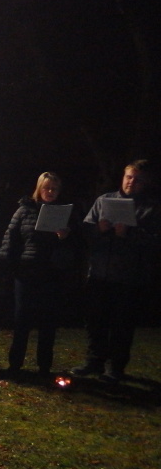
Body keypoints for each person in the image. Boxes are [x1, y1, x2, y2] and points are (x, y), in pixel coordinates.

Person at [71, 160, 161, 383]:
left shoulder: (151, 208)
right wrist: (98, 229)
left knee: (122, 324)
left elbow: (154, 242)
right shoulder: (104, 200)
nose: (131, 182)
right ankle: (94, 361)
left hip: (129, 277)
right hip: (99, 273)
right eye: (129, 177)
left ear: (145, 182)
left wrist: (128, 233)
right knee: (95, 321)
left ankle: (116, 367)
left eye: (137, 179)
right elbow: (85, 231)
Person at [0, 172, 79, 377]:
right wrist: (9, 267)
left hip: (52, 274)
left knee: (48, 322)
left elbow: (77, 245)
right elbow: (11, 239)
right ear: (39, 188)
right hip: (27, 273)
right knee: (22, 321)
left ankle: (44, 366)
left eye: (54, 189)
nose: (50, 192)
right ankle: (15, 364)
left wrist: (65, 237)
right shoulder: (25, 210)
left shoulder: (65, 213)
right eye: (47, 188)